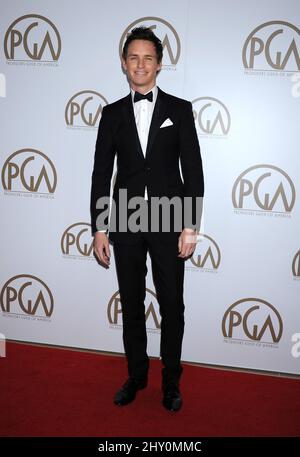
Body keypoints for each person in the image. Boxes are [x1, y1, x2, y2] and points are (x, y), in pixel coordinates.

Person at [90, 27, 204, 412]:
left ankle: (171, 379)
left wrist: (190, 226)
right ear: (124, 64)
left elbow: (194, 170)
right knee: (133, 302)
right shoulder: (111, 114)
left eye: (148, 58)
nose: (141, 64)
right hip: (124, 221)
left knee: (172, 303)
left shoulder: (179, 109)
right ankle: (136, 375)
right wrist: (100, 227)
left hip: (170, 219)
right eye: (133, 57)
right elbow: (101, 172)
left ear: (159, 63)